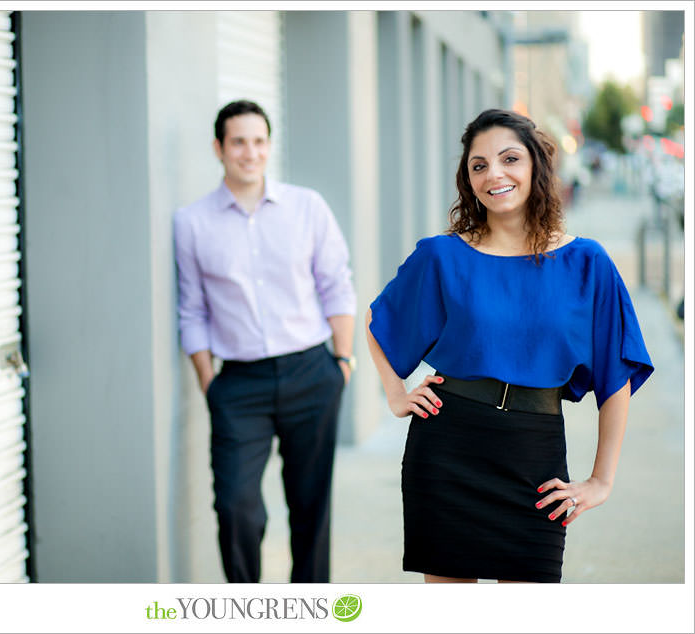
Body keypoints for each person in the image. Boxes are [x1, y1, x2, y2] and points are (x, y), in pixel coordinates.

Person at [365, 109, 654, 583]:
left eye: (509, 159)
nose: (494, 174)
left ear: (537, 166)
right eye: (479, 165)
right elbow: (379, 319)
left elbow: (615, 372)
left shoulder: (587, 262)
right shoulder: (442, 256)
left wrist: (602, 480)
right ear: (468, 179)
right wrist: (395, 394)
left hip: (533, 452)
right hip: (447, 448)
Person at [173, 100, 356, 583]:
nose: (249, 153)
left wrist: (343, 362)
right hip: (239, 385)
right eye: (238, 142)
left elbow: (337, 285)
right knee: (236, 506)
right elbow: (191, 310)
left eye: (258, 141)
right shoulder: (191, 223)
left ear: (269, 146)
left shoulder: (307, 207)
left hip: (311, 373)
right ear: (219, 148)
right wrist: (210, 383)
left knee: (310, 505)